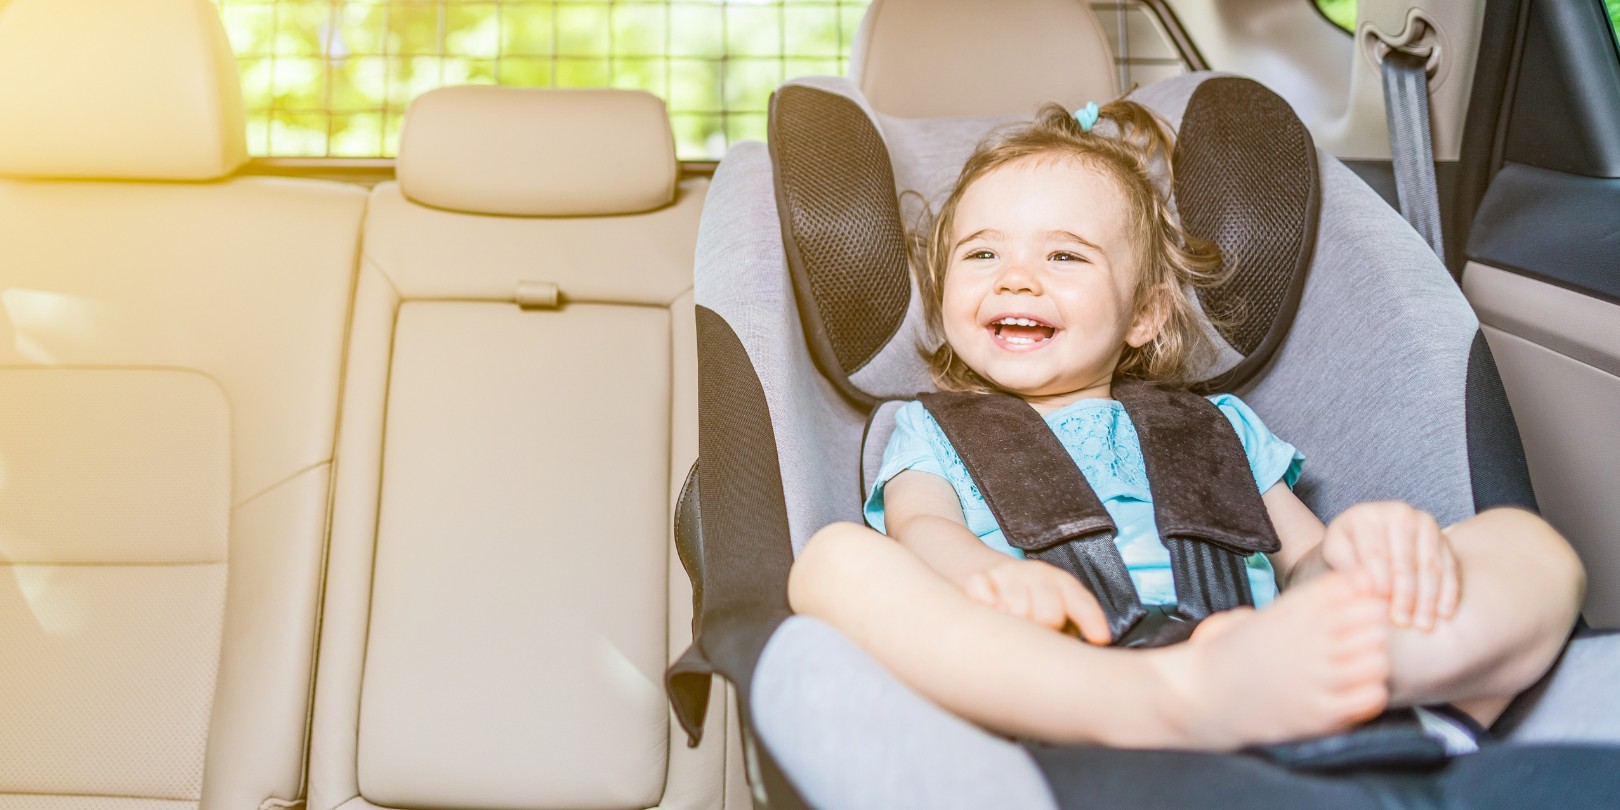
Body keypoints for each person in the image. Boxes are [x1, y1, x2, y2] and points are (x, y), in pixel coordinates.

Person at [786, 99, 1585, 750]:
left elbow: (1302, 560)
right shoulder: (930, 432)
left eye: (1065, 257)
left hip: (1261, 659)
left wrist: (1357, 554)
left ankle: (1389, 679)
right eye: (982, 255)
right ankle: (1156, 700)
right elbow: (922, 533)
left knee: (1534, 550)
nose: (1018, 276)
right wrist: (982, 579)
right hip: (1059, 678)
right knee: (832, 562)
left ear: (1144, 313)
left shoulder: (1215, 425)